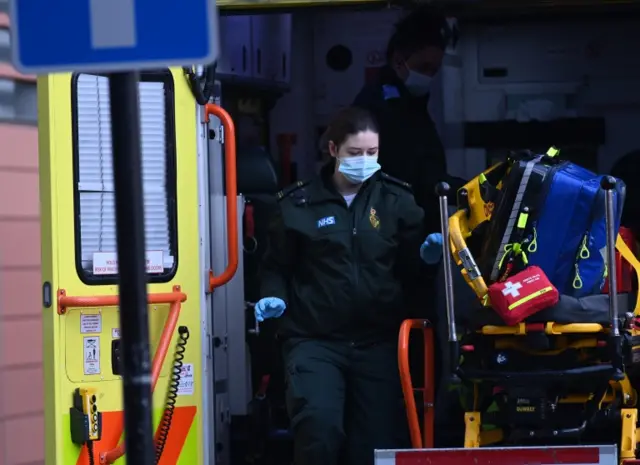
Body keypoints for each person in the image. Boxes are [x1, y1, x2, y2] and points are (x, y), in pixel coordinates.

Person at [255, 106, 442, 465]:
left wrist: (426, 258)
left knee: (374, 447)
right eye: (355, 153)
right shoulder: (298, 205)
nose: (365, 161)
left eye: (372, 153)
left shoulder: (396, 201)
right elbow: (275, 267)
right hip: (315, 340)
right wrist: (272, 297)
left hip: (377, 342)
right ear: (333, 150)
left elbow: (412, 272)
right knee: (319, 431)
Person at [353, 4, 464, 234]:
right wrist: (465, 192)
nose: (428, 76)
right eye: (423, 67)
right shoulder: (382, 107)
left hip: (410, 229)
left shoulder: (409, 103)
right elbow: (415, 175)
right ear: (398, 60)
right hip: (395, 235)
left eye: (434, 69)